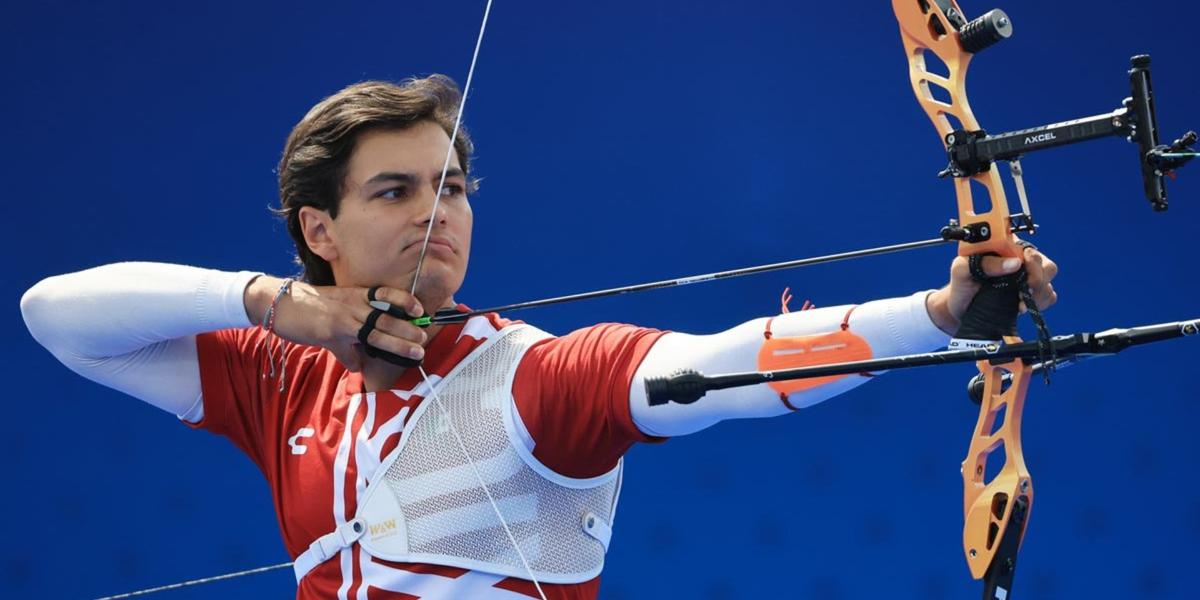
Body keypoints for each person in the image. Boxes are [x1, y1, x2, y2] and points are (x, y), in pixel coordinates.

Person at [20, 74, 1057, 599]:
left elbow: (721, 366)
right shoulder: (284, 378)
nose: (440, 212)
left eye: (455, 187)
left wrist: (942, 314)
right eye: (397, 190)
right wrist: (275, 306)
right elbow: (55, 316)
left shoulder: (529, 382)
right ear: (319, 231)